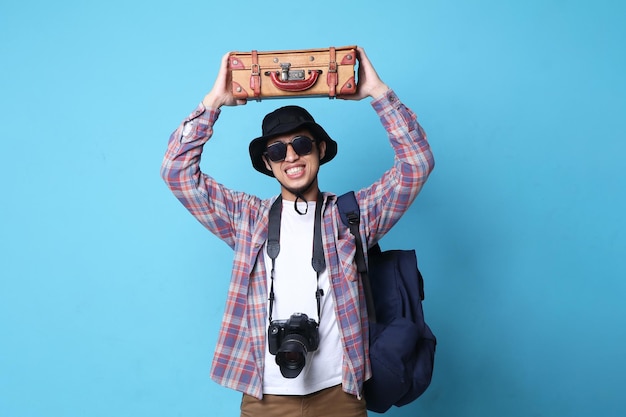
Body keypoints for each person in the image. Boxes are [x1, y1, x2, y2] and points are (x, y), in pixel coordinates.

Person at [161, 47, 434, 417]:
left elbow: (417, 163)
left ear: (320, 149)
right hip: (264, 397)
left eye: (301, 144)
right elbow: (176, 172)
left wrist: (379, 93)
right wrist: (213, 103)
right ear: (267, 163)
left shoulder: (350, 217)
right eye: (277, 151)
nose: (290, 156)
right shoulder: (247, 219)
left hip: (341, 393)